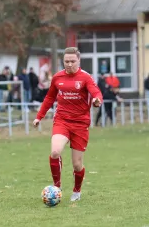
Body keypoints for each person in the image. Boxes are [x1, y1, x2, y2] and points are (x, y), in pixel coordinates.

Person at [33, 47, 102, 202]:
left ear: (79, 61)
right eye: (66, 61)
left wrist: (97, 101)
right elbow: (49, 98)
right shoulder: (57, 78)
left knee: (77, 165)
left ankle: (77, 191)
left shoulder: (85, 78)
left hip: (80, 123)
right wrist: (39, 117)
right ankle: (56, 187)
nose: (69, 64)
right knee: (55, 152)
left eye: (72, 61)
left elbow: (96, 93)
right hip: (62, 120)